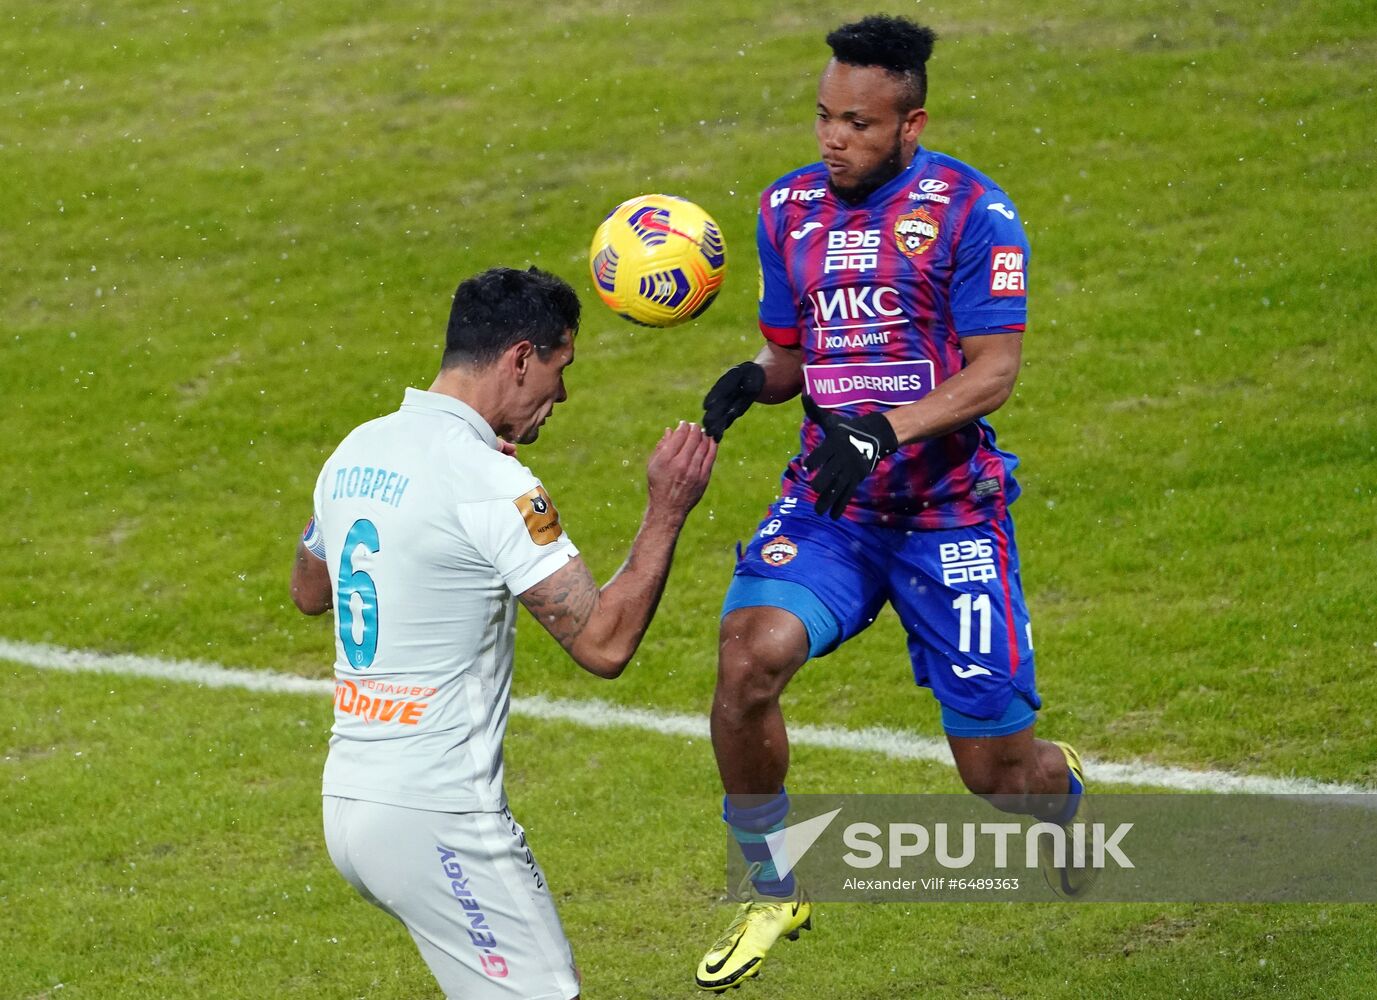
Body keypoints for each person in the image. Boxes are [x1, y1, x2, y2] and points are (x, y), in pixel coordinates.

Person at [694, 15, 1092, 992]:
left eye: (861, 124)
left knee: (995, 779)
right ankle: (770, 882)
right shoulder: (787, 208)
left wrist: (886, 427)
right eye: (826, 116)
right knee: (748, 657)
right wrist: (753, 380)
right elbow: (795, 355)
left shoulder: (973, 214)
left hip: (949, 515)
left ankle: (1057, 784)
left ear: (912, 124)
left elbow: (994, 373)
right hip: (833, 510)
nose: (835, 138)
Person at [289, 265, 716, 1000]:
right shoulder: (489, 480)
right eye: (560, 368)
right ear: (520, 357)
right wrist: (667, 508)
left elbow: (307, 589)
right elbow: (604, 645)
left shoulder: (358, 447)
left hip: (349, 802)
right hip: (438, 817)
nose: (563, 396)